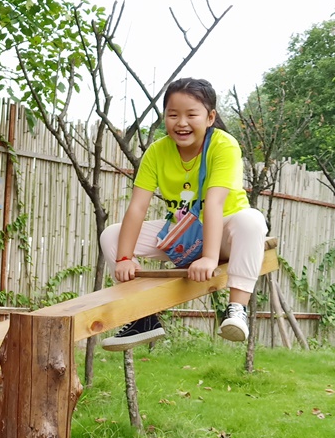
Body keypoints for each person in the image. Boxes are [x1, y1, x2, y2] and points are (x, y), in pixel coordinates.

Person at [99, 78, 268, 350]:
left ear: (210, 117)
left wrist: (211, 258)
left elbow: (213, 204)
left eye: (192, 114)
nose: (181, 122)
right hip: (185, 236)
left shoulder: (223, 145)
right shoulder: (157, 151)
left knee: (252, 220)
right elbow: (138, 207)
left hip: (225, 234)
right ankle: (143, 318)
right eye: (173, 114)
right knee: (111, 235)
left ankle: (236, 309)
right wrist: (124, 257)